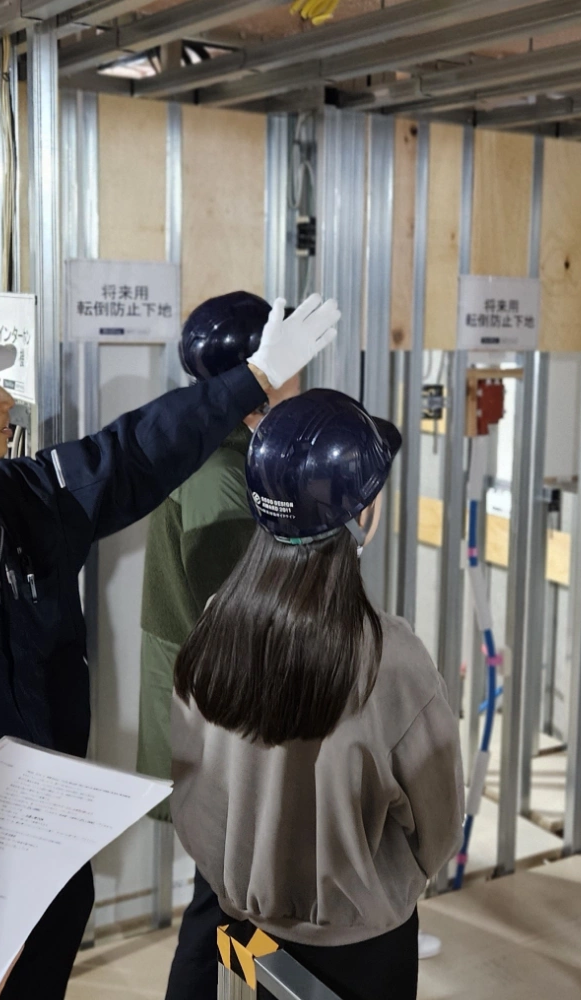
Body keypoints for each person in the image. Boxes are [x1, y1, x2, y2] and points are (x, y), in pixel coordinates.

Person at [0, 289, 340, 999]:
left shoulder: (19, 499)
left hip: (50, 867)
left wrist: (254, 378)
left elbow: (131, 453)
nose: (7, 401)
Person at [170, 389, 464, 1000]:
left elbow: (197, 802)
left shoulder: (215, 628)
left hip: (244, 934)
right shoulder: (392, 659)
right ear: (360, 514)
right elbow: (438, 827)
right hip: (365, 950)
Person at [135, 289, 298, 999]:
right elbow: (240, 616)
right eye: (290, 364)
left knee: (226, 898)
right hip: (220, 731)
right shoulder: (219, 475)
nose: (301, 379)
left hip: (219, 723)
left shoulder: (233, 452)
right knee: (221, 903)